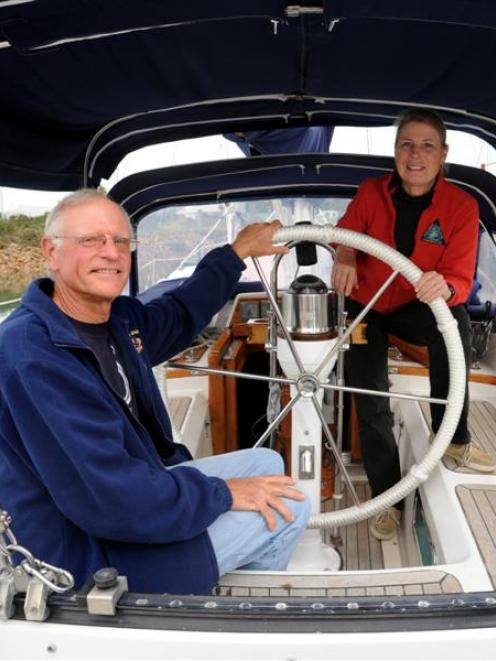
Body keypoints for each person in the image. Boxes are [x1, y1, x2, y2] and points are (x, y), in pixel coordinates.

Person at [0, 189, 310, 595]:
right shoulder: (32, 353)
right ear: (51, 252)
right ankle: (220, 616)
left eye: (121, 241)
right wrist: (222, 495)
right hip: (84, 553)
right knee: (293, 506)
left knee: (267, 465)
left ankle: (217, 580)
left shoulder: (117, 323)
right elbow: (110, 496)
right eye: (91, 240)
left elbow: (180, 313)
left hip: (135, 492)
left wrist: (236, 253)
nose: (110, 253)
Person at [332, 108, 496, 541]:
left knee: (454, 324)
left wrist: (444, 285)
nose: (415, 154)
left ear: (443, 153)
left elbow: (461, 279)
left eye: (426, 145)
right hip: (366, 306)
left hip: (416, 306)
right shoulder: (371, 194)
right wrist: (345, 255)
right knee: (370, 401)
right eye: (407, 144)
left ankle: (455, 439)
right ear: (395, 152)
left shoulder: (462, 207)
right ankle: (388, 499)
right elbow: (344, 234)